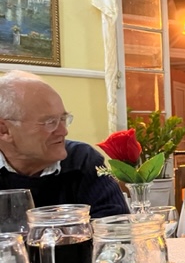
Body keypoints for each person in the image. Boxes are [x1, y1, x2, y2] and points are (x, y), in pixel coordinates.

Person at [0, 70, 129, 218]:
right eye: (50, 122)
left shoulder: (81, 159)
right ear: (4, 130)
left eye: (63, 119)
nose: (63, 131)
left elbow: (115, 225)